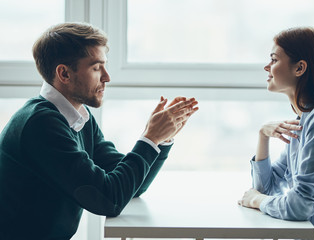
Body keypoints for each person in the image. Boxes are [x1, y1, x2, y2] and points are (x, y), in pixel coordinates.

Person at [0, 22, 198, 239]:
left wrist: (161, 138)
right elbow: (109, 199)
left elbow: (130, 187)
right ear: (64, 74)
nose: (107, 77)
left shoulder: (76, 116)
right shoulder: (41, 125)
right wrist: (149, 138)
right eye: (96, 67)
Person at [239, 27, 314, 240]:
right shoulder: (305, 121)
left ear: (300, 68)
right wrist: (263, 136)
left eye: (274, 60)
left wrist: (256, 200)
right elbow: (265, 188)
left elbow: (299, 206)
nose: (267, 67)